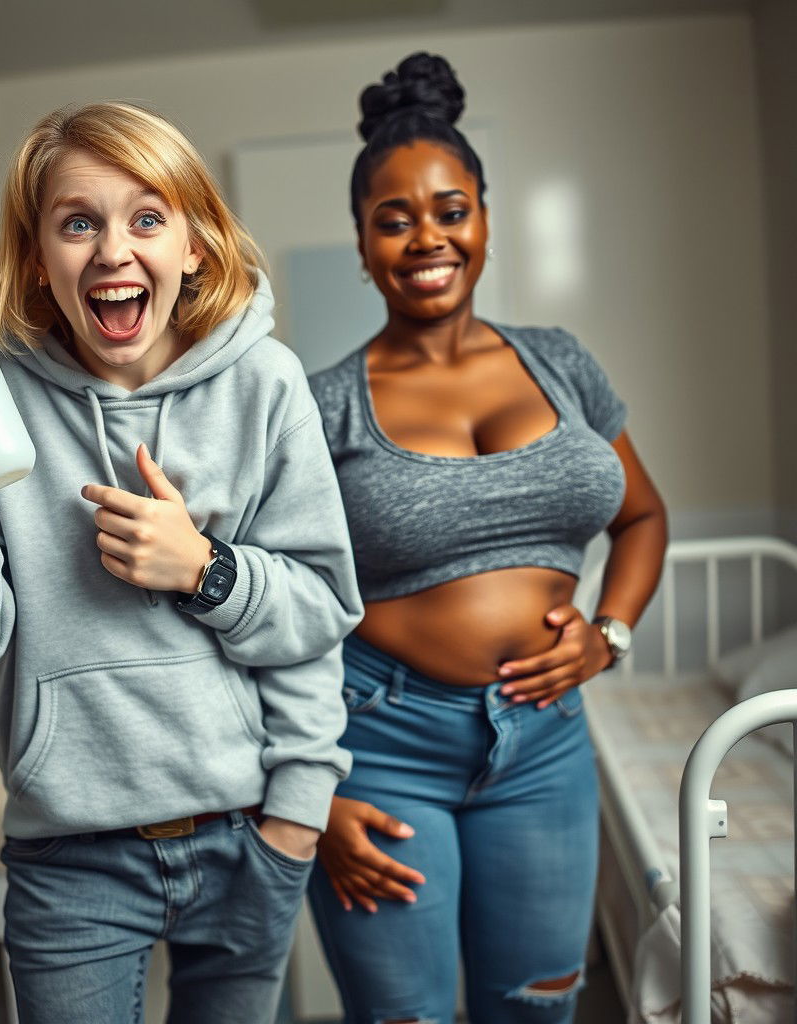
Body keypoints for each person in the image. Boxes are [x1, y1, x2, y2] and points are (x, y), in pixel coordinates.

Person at [0, 101, 362, 1024]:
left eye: (147, 217)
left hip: (246, 836)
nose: (111, 251)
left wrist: (207, 570)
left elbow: (321, 611)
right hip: (70, 862)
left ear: (196, 247)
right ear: (37, 261)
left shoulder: (266, 385)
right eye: (77, 222)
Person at [306, 53, 668, 1024]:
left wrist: (611, 632)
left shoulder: (559, 362)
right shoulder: (319, 408)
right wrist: (304, 792)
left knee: (535, 1008)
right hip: (375, 747)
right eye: (394, 218)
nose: (427, 236)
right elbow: (270, 610)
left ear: (484, 219)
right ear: (362, 242)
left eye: (450, 208)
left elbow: (641, 515)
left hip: (545, 750)